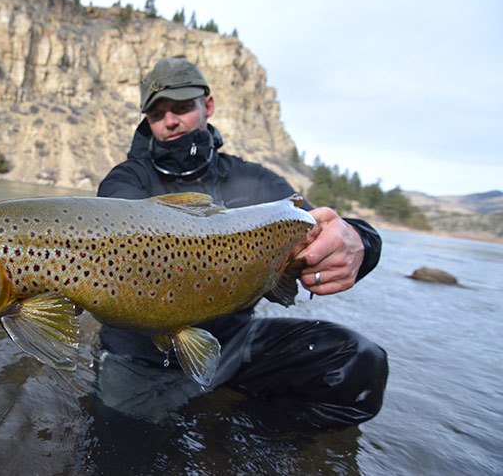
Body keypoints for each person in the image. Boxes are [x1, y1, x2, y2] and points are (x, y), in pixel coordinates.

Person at [96, 57, 388, 429]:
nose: (170, 121)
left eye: (182, 108)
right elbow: (113, 223)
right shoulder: (126, 180)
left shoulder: (254, 181)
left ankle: (237, 430)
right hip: (140, 358)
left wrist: (359, 241)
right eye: (157, 113)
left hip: (233, 345)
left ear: (208, 106)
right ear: (148, 121)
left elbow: (316, 224)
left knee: (359, 363)